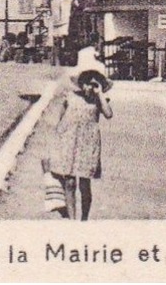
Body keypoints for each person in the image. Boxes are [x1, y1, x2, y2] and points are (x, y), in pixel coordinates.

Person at [42, 47, 113, 220]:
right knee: (69, 181)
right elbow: (59, 122)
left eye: (94, 82)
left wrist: (100, 94)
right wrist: (55, 146)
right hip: (68, 143)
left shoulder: (99, 100)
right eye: (86, 82)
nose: (89, 86)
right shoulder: (70, 97)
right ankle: (73, 221)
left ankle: (84, 219)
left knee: (84, 184)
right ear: (80, 82)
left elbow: (109, 114)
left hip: (88, 145)